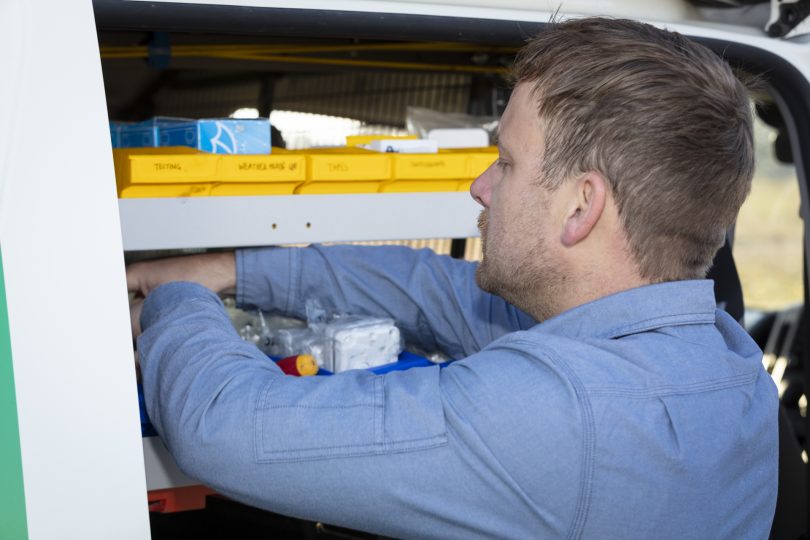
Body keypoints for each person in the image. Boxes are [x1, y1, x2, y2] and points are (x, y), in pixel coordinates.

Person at [127, 17, 778, 539]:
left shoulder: (560, 414)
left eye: (507, 163)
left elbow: (221, 425)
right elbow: (427, 287)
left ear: (581, 206)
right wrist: (229, 270)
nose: (480, 185)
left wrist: (173, 299)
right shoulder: (726, 356)